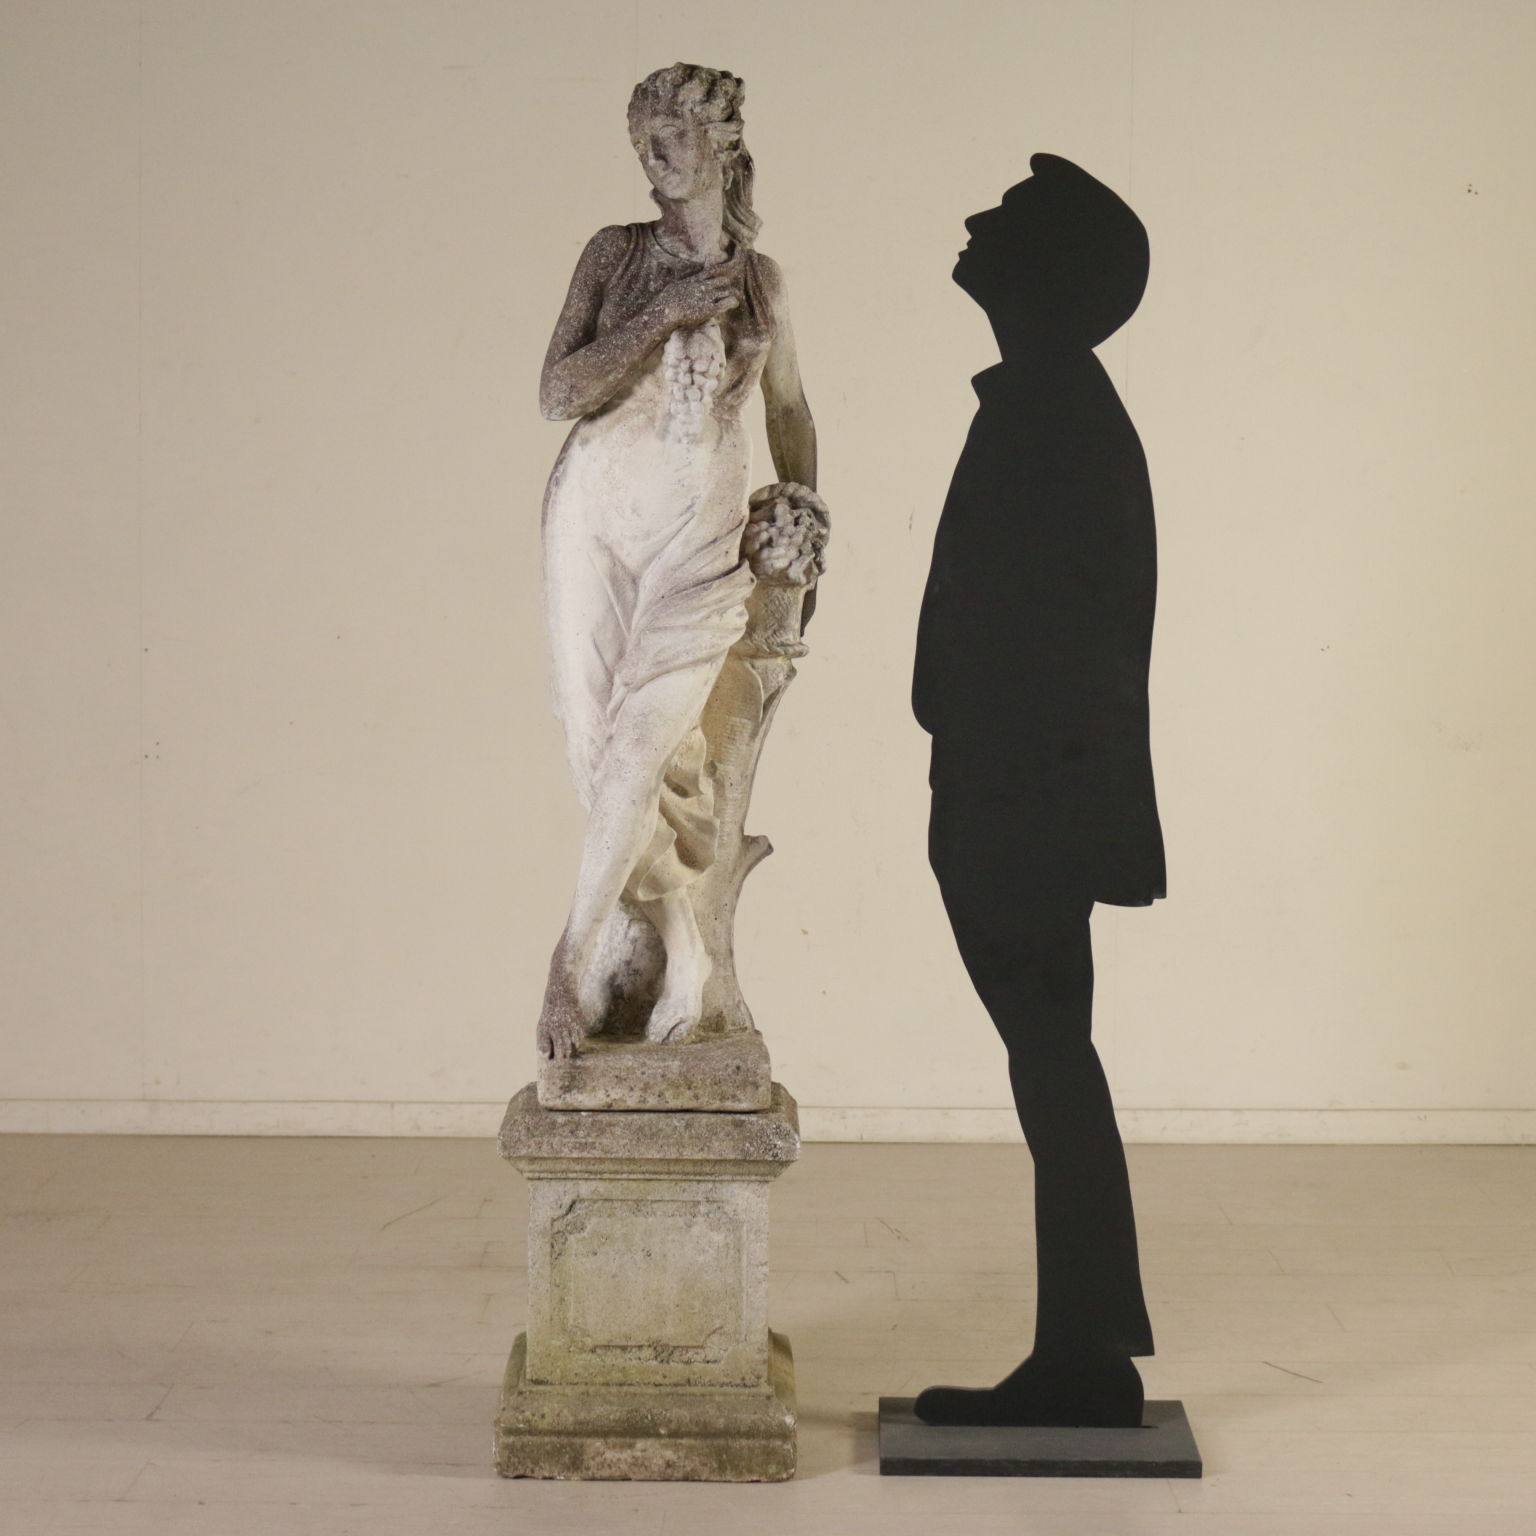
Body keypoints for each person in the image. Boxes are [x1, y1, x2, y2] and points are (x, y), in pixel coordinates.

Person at [911, 154, 1165, 1428]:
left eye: (1007, 219)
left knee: (1052, 1059)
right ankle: (1087, 1347)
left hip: (1025, 804)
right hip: (1019, 795)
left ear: (1051, 274)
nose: (976, 222)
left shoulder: (1054, 413)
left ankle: (1085, 1358)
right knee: (1052, 1059)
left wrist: (1019, 800)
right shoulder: (1050, 403)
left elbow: (1075, 642)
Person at [535, 64, 819, 1060]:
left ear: (721, 144)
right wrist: (661, 314)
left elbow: (789, 409)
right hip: (593, 522)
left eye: (673, 136)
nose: (654, 156)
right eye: (642, 140)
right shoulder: (615, 254)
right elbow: (558, 393)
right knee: (597, 748)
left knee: (648, 744)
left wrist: (805, 522)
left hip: (701, 536)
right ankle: (679, 945)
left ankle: (565, 971)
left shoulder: (762, 281)